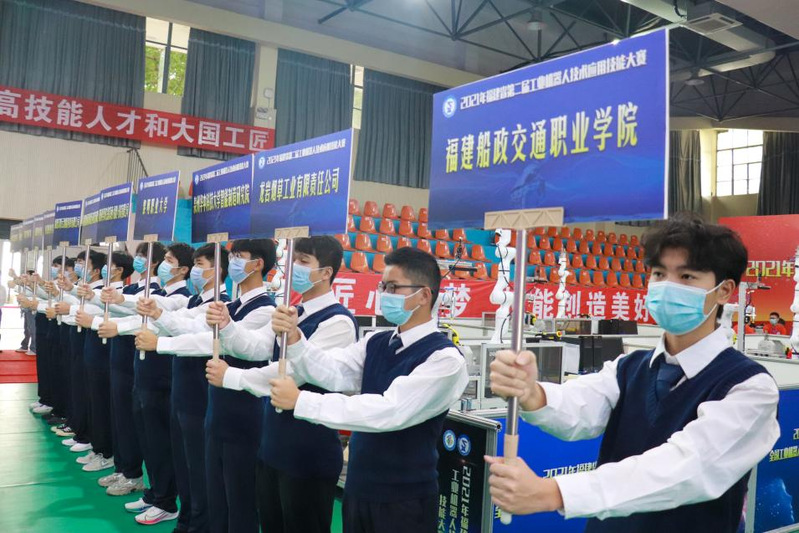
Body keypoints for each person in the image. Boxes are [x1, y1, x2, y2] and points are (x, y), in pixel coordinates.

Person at [487, 213, 780, 532]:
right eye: (659, 273)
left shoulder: (750, 388)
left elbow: (685, 468)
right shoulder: (629, 367)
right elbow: (580, 407)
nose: (667, 287)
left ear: (724, 291)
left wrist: (553, 493)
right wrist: (530, 391)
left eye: (686, 276)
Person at [268, 247, 468, 533]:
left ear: (424, 295)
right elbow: (333, 371)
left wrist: (302, 402)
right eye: (383, 286)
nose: (384, 294)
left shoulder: (444, 360)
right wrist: (295, 338)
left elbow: (389, 410)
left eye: (393, 287)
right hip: (359, 487)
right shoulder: (376, 342)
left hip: (404, 499)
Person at [205, 236, 357, 533]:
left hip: (308, 450)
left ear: (326, 272)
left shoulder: (338, 322)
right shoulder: (291, 312)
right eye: (294, 260)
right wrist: (227, 325)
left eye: (304, 261)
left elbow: (293, 373)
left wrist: (233, 377)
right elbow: (255, 347)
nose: (295, 267)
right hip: (273, 444)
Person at [135, 238, 277, 533]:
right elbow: (193, 327)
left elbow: (231, 345)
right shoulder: (230, 305)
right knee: (213, 491)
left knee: (239, 499)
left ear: (258, 264)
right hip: (217, 407)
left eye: (239, 257)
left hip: (242, 412)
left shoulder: (265, 310)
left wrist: (161, 343)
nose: (233, 262)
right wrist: (159, 316)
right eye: (232, 257)